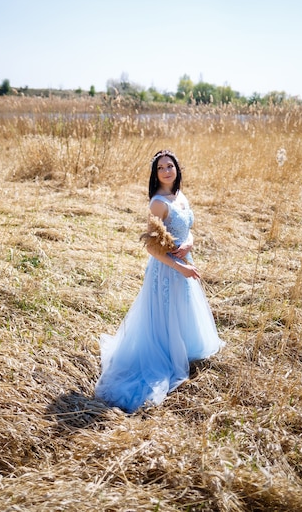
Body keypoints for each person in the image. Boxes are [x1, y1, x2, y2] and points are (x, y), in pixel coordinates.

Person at [95, 149, 224, 413]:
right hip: (167, 269)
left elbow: (187, 230)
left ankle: (184, 347)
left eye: (170, 166)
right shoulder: (157, 203)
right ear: (156, 175)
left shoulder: (180, 196)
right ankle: (165, 356)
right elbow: (152, 248)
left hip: (184, 263)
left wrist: (189, 242)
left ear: (177, 169)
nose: (166, 171)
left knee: (183, 308)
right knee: (166, 314)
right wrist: (180, 267)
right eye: (161, 168)